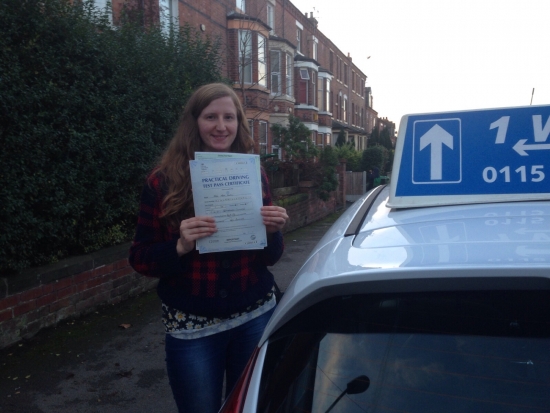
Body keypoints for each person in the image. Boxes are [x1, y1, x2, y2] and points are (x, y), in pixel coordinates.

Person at [129, 83, 288, 413]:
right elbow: (140, 258)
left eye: (229, 117)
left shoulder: (252, 174)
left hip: (255, 315)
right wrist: (180, 246)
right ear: (194, 122)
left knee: (250, 407)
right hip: (193, 327)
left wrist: (272, 232)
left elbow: (271, 257)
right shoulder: (162, 182)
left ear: (239, 123)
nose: (221, 126)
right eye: (210, 116)